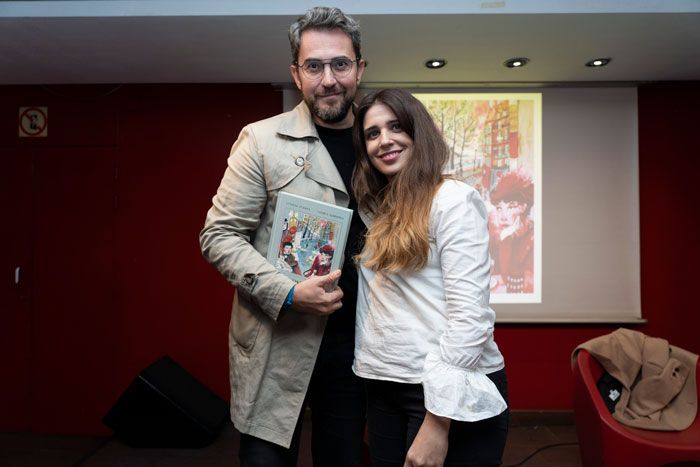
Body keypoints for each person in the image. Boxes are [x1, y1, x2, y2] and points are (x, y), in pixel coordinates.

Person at [199, 6, 367, 467]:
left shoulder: (380, 142)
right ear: (296, 73)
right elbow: (219, 236)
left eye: (340, 64)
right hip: (277, 342)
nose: (328, 79)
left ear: (360, 68)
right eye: (314, 66)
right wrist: (289, 293)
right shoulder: (260, 140)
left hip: (358, 348)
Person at [351, 88, 509, 467]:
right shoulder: (376, 205)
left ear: (418, 132)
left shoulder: (452, 199)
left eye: (395, 127)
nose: (384, 140)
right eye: (372, 134)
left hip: (443, 393)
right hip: (384, 382)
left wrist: (438, 422)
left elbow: (472, 319)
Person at [488, 169, 535, 294]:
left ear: (523, 207)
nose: (503, 216)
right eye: (499, 208)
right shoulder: (501, 234)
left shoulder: (532, 237)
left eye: (511, 206)